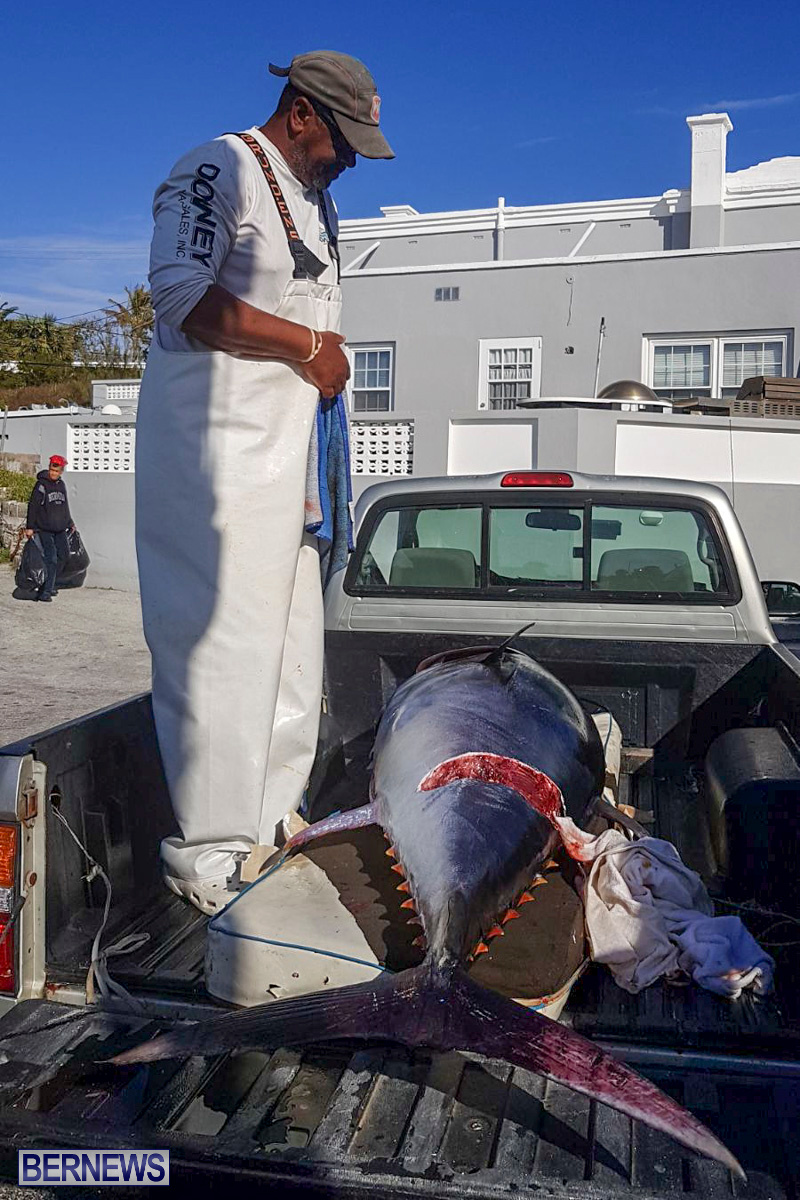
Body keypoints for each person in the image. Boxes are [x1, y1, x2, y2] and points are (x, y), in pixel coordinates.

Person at [136, 50, 393, 914]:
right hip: (219, 464)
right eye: (344, 138)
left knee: (290, 655)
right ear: (300, 112)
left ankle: (270, 826)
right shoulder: (220, 167)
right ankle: (207, 854)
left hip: (294, 469)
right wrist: (306, 348)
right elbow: (180, 295)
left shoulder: (317, 204)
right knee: (220, 657)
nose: (351, 158)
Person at [25, 454, 73, 602]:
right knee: (51, 558)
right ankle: (46, 591)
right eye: (52, 470)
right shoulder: (41, 485)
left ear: (61, 472)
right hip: (45, 528)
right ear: (49, 468)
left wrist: (70, 522)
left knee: (64, 555)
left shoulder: (61, 485)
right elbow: (33, 506)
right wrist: (30, 527)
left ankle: (49, 582)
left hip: (60, 529)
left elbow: (64, 506)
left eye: (57, 471)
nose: (54, 473)